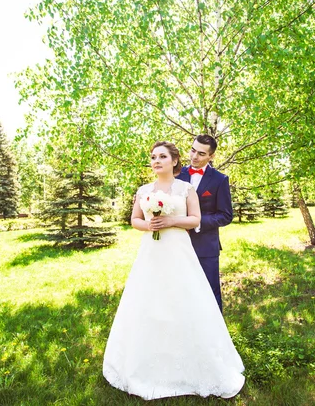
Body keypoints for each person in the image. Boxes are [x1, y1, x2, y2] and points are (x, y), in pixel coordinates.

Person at [102, 141, 245, 400]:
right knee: (150, 301)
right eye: (153, 156)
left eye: (162, 156)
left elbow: (196, 219)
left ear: (174, 160)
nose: (156, 161)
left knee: (186, 300)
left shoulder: (186, 188)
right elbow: (134, 220)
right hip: (151, 252)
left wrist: (171, 221)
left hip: (180, 250)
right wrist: (150, 226)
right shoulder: (143, 190)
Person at [177, 135, 232, 312]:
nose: (194, 156)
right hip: (176, 243)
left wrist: (196, 222)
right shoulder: (177, 175)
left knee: (209, 292)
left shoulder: (219, 180)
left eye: (201, 153)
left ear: (211, 156)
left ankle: (216, 337)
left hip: (206, 246)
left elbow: (225, 215)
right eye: (193, 150)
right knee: (181, 291)